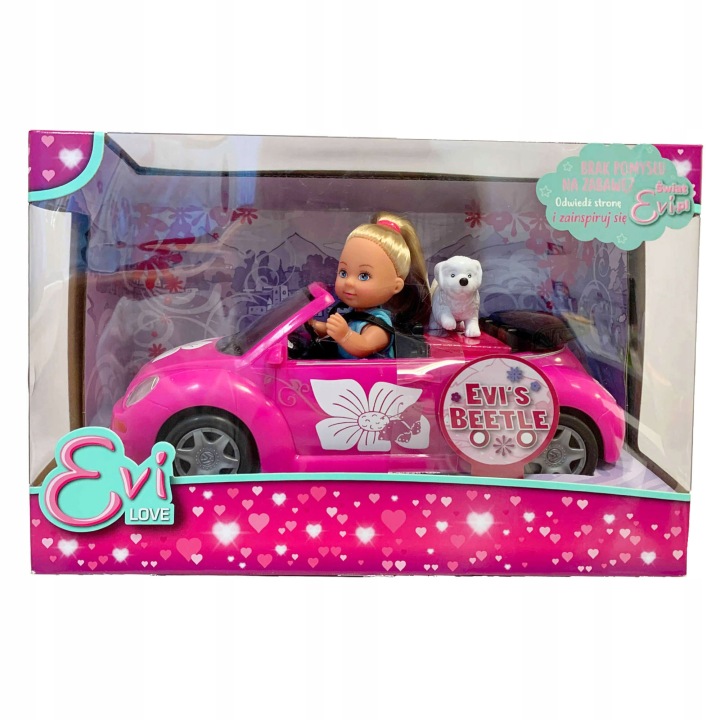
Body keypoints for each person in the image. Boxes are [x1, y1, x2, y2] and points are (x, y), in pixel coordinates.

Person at [310, 212, 431, 358]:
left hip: (373, 373)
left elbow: (365, 345)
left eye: (364, 276)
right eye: (343, 272)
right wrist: (313, 325)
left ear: (396, 286)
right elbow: (331, 331)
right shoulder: (355, 316)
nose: (348, 282)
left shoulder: (379, 324)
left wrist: (345, 335)